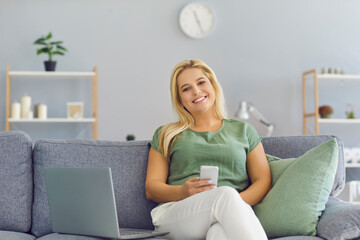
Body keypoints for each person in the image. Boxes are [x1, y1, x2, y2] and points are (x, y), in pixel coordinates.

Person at [145, 59, 271, 240]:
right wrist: (182, 192)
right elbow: (151, 188)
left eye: (201, 82)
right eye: (186, 88)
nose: (196, 91)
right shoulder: (167, 133)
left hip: (226, 212)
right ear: (180, 100)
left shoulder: (244, 130)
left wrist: (232, 207)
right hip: (176, 213)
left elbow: (263, 180)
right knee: (226, 194)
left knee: (219, 233)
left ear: (213, 85)